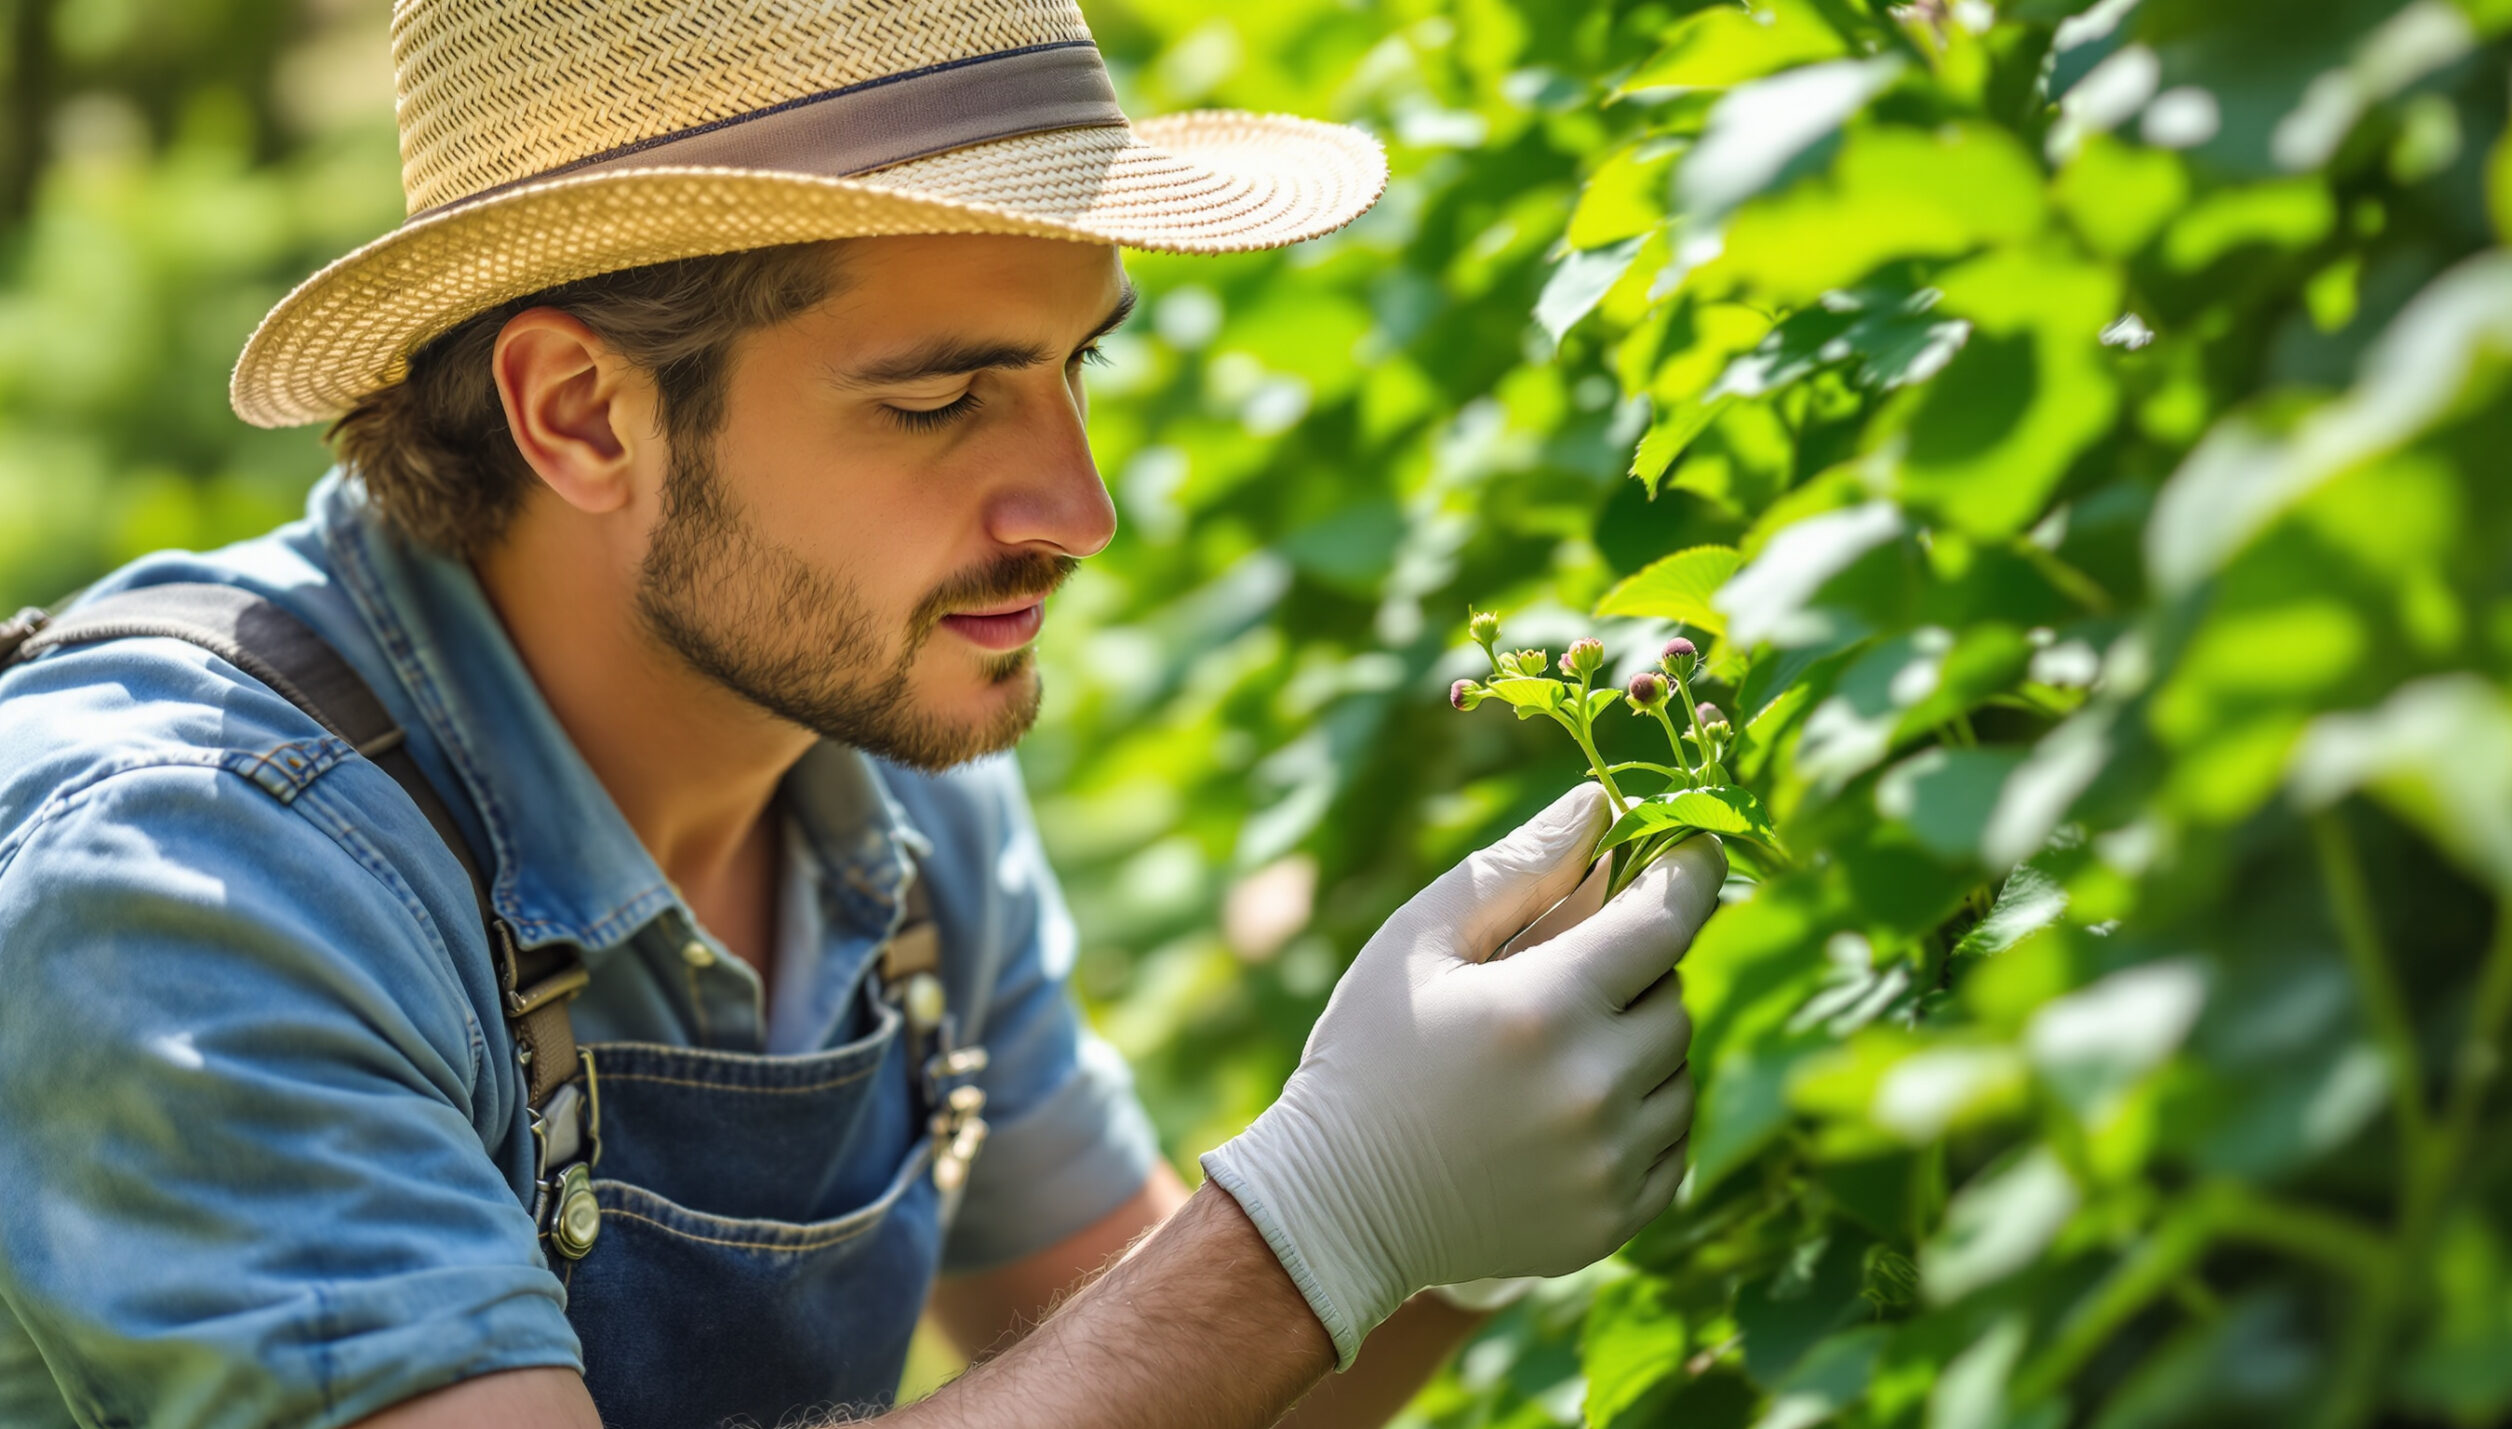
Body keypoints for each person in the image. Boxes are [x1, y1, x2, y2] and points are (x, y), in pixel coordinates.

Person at [0, 2, 1721, 1426]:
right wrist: (1322, 1216)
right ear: (582, 415)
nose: (1077, 507)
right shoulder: (184, 883)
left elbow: (1162, 1371)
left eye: (1073, 369)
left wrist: (1466, 1185)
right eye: (943, 396)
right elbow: (1225, 1309)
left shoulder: (878, 775)